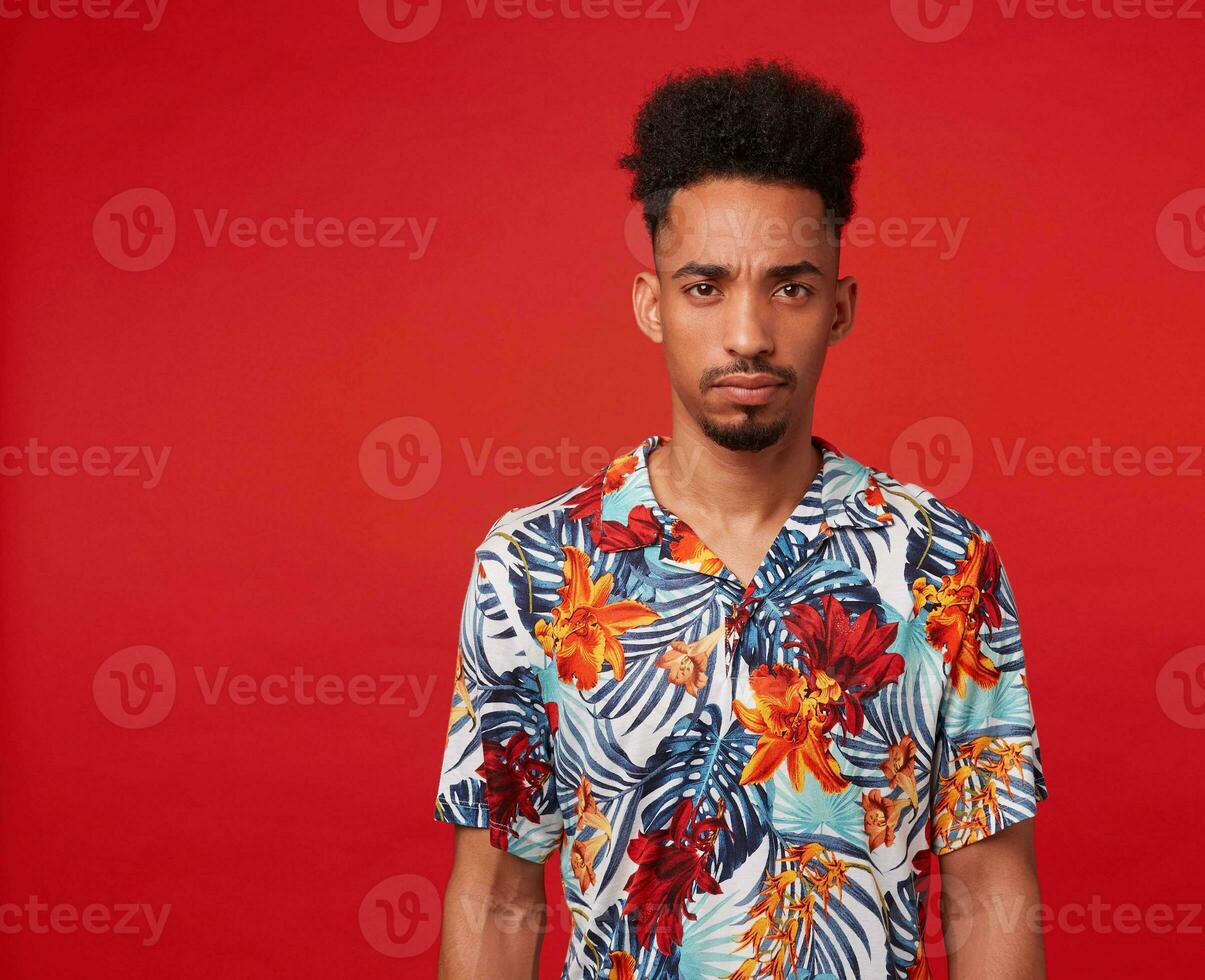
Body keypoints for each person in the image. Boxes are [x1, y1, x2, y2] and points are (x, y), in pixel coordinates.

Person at [434, 58, 1047, 980]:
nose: (749, 333)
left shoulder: (940, 561)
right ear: (652, 304)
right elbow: (496, 893)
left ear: (839, 309)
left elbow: (988, 889)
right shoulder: (533, 564)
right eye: (705, 286)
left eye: (790, 288)